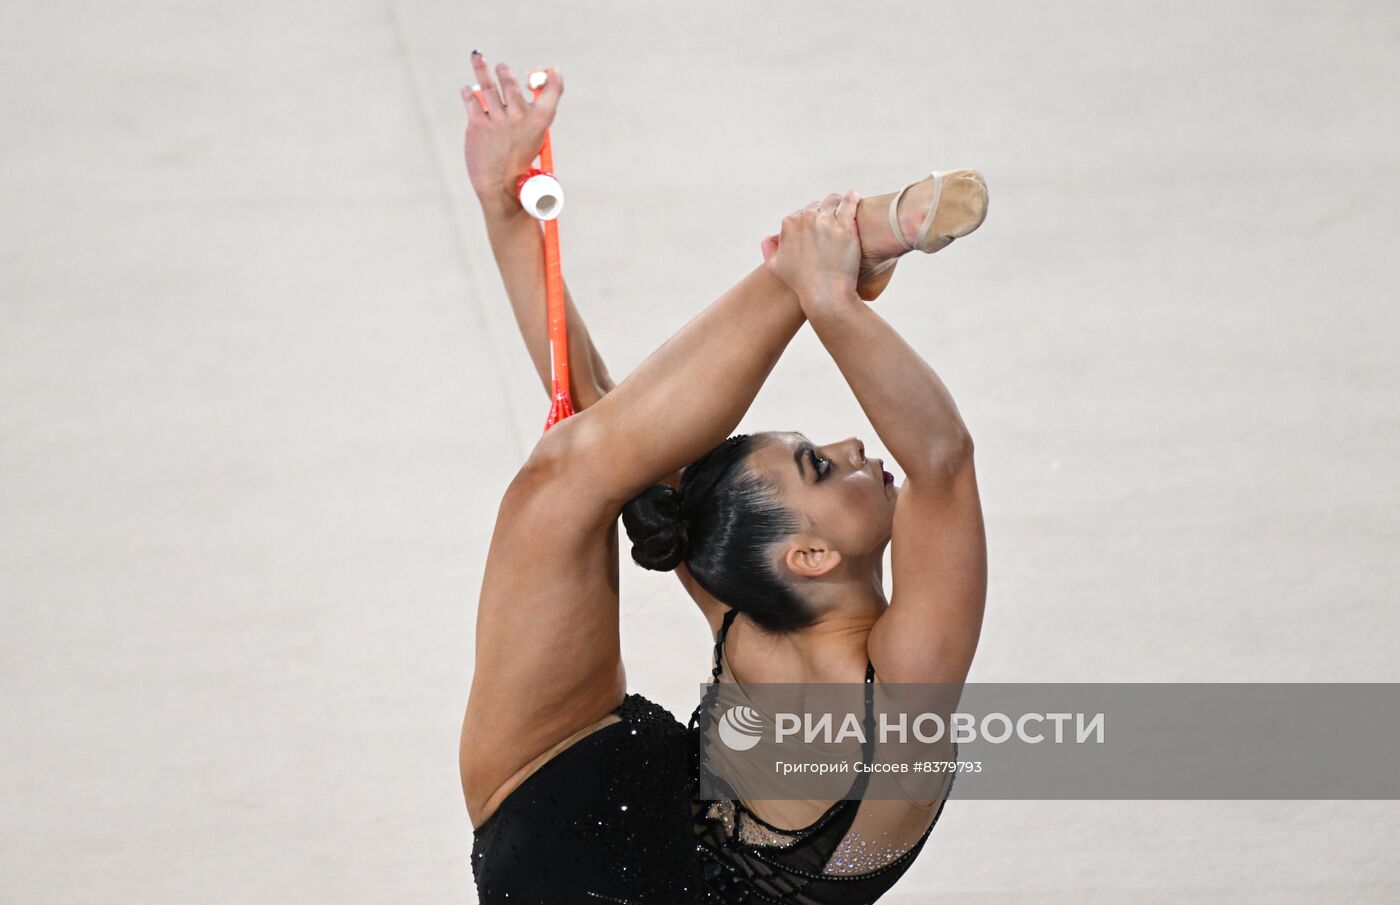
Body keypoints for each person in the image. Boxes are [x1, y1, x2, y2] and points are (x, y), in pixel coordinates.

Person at [458, 53, 988, 904]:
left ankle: (823, 257)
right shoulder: (777, 627)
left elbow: (943, 460)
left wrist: (834, 304)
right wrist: (505, 205)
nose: (856, 445)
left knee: (574, 474)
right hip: (586, 804)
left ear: (808, 555)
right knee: (572, 475)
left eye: (817, 461)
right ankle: (827, 252)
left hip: (557, 856)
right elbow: (600, 422)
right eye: (824, 461)